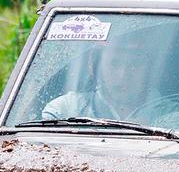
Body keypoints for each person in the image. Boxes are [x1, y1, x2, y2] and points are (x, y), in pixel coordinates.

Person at [41, 36, 169, 122]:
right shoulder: (66, 110)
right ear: (94, 67)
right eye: (114, 63)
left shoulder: (172, 115)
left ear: (151, 69)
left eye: (134, 64)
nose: (123, 75)